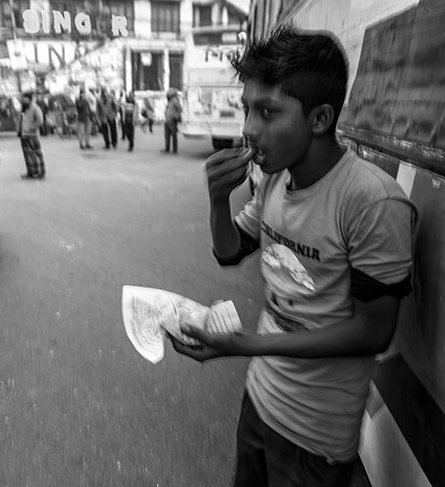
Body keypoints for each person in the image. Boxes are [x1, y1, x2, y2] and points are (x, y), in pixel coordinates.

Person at [170, 25, 417, 487]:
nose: (248, 128)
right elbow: (229, 253)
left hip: (316, 439)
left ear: (320, 119)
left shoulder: (371, 201)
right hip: (260, 400)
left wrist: (244, 345)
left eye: (267, 111)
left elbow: (372, 332)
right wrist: (216, 200)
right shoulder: (273, 182)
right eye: (247, 108)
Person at [16, 92, 46, 179]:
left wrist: (30, 127)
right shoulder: (22, 108)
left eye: (25, 99)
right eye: (23, 99)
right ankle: (31, 172)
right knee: (27, 155)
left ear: (30, 99)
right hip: (23, 135)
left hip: (32, 135)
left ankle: (40, 172)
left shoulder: (35, 108)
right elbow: (19, 120)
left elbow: (40, 121)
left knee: (36, 154)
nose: (24, 101)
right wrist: (19, 130)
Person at [162, 88, 182, 154]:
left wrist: (175, 115)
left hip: (172, 120)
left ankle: (174, 150)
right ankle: (167, 148)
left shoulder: (175, 101)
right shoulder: (170, 101)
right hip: (167, 120)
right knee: (167, 135)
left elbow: (180, 109)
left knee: (174, 135)